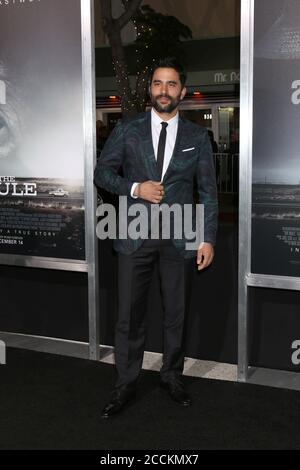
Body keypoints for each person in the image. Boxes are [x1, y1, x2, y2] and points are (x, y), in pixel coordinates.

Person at [94, 57, 218, 418]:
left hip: (180, 236)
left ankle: (172, 377)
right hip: (134, 233)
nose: (165, 90)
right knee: (129, 315)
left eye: (172, 84)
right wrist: (135, 188)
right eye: (158, 84)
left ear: (182, 90)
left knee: (176, 313)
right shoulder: (127, 129)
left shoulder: (197, 136)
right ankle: (125, 385)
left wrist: (207, 239)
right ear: (150, 89)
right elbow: (103, 172)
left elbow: (208, 191)